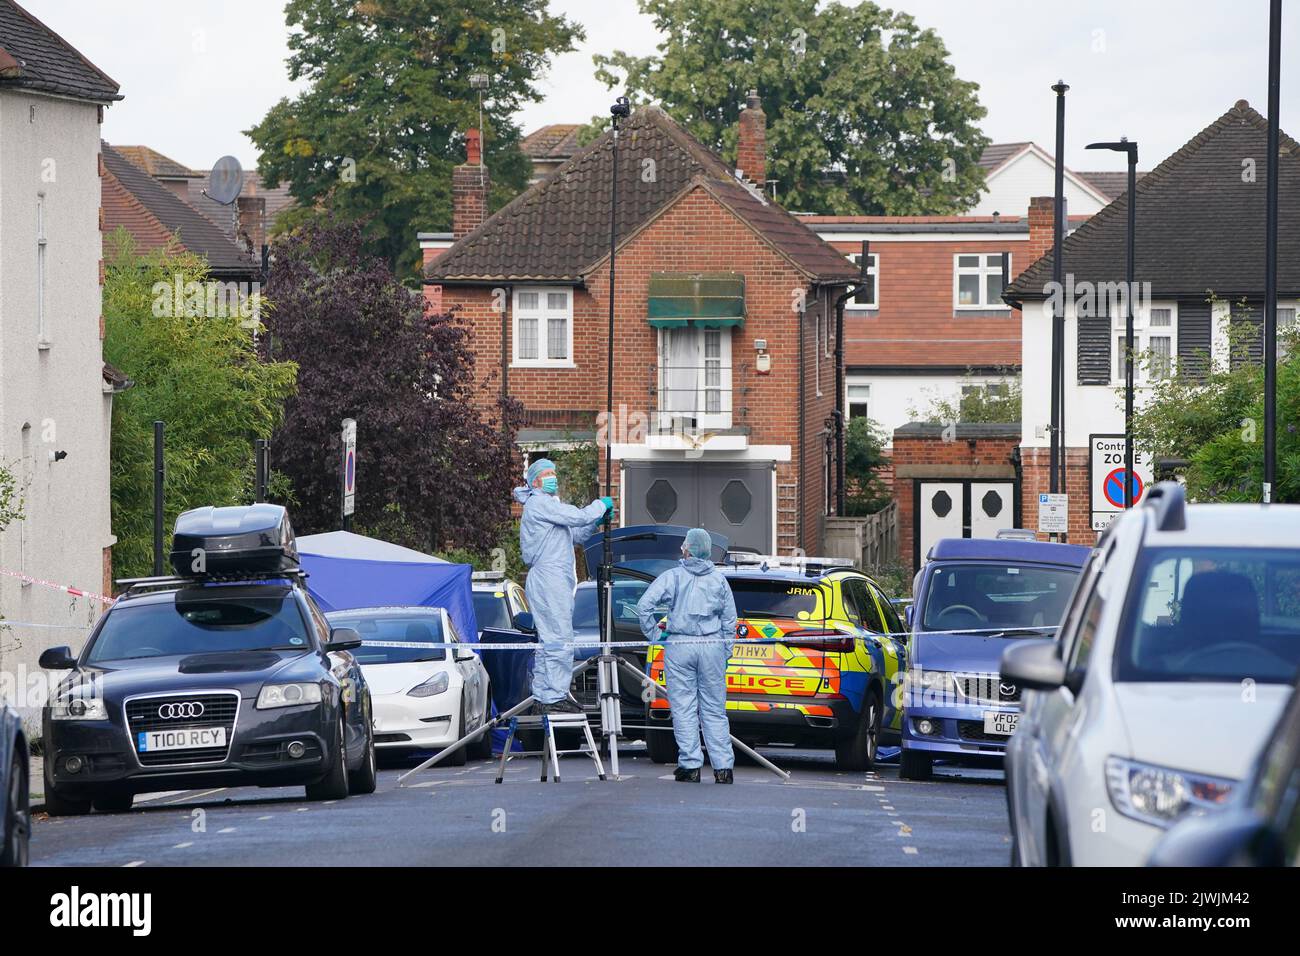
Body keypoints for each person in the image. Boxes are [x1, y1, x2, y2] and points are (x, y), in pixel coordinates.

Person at [636, 528, 737, 783]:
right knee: (714, 709)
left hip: (680, 644)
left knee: (683, 707)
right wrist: (725, 651)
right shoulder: (719, 580)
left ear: (687, 549)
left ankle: (690, 765)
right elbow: (729, 620)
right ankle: (723, 768)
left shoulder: (672, 577)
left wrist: (655, 636)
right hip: (712, 644)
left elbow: (644, 606)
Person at [513, 458, 613, 715]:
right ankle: (554, 696)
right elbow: (576, 516)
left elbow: (577, 534)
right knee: (559, 638)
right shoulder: (539, 504)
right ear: (535, 481)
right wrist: (599, 506)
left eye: (554, 473)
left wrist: (595, 522)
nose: (553, 477)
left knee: (551, 639)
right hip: (549, 578)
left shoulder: (548, 509)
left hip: (554, 578)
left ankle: (546, 695)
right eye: (548, 474)